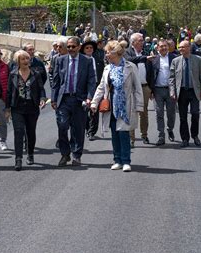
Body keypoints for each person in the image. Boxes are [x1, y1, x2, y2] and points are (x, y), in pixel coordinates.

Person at [91, 40, 143, 172]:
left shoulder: (131, 67)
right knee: (115, 133)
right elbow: (102, 87)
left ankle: (126, 161)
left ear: (116, 53)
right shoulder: (107, 68)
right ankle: (117, 160)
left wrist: (139, 106)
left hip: (126, 105)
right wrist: (94, 102)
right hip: (111, 105)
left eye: (108, 52)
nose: (106, 55)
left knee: (124, 133)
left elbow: (137, 88)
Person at [51, 36, 96, 166]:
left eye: (73, 46)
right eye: (68, 46)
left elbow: (91, 81)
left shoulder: (87, 61)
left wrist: (89, 97)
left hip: (79, 99)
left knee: (78, 128)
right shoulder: (60, 60)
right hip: (63, 99)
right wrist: (53, 99)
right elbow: (56, 81)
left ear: (79, 47)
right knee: (62, 125)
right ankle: (65, 154)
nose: (70, 49)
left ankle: (76, 155)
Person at [6, 50, 46, 171]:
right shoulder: (13, 74)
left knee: (30, 132)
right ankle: (18, 159)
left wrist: (43, 99)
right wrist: (7, 109)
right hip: (17, 108)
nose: (25, 61)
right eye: (22, 59)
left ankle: (30, 154)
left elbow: (41, 89)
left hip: (32, 107)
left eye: (27, 59)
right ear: (18, 61)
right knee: (18, 132)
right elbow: (8, 93)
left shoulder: (36, 74)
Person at [169, 40, 201, 147]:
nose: (181, 49)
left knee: (195, 114)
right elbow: (171, 78)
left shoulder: (197, 60)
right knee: (182, 116)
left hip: (194, 91)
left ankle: (195, 135)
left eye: (183, 47)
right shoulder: (175, 61)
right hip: (181, 92)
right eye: (179, 47)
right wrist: (172, 91)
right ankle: (185, 139)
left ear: (189, 48)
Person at [124, 32, 155, 147]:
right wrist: (145, 58)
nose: (142, 42)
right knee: (132, 113)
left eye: (142, 40)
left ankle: (144, 135)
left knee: (144, 112)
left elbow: (151, 72)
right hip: (132, 88)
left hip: (145, 87)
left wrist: (152, 89)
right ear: (133, 42)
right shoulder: (127, 52)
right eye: (140, 40)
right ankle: (131, 139)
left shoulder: (146, 52)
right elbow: (131, 60)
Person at [148, 40, 177, 146]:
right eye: (161, 46)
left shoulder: (174, 58)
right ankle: (161, 135)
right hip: (158, 90)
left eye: (165, 46)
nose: (163, 48)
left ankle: (170, 129)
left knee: (171, 113)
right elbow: (150, 75)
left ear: (168, 47)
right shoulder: (154, 59)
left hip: (171, 90)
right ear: (157, 48)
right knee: (159, 113)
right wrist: (151, 90)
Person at [81, 39, 105, 141]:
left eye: (91, 48)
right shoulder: (81, 60)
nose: (89, 49)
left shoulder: (97, 59)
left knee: (94, 110)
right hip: (84, 87)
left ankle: (92, 131)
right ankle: (87, 128)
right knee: (84, 109)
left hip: (97, 86)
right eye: (87, 48)